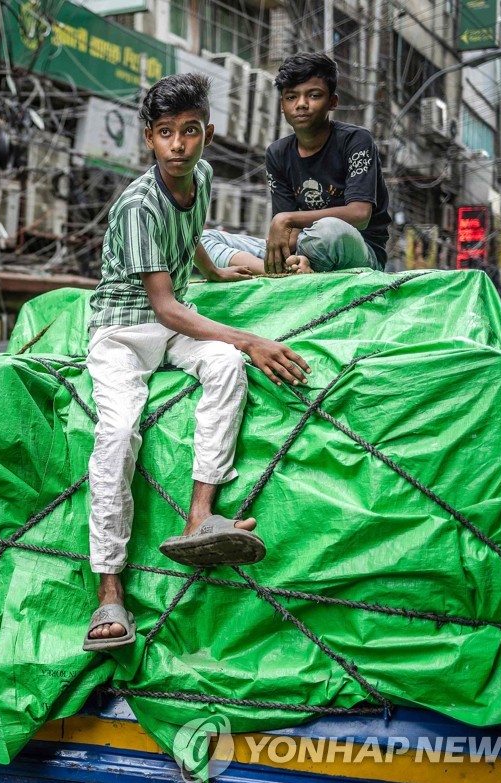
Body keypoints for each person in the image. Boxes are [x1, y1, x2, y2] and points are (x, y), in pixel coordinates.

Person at [82, 74, 310, 652]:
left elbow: (193, 235)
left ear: (207, 133)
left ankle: (199, 518)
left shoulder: (202, 175)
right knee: (119, 433)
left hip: (172, 324)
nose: (179, 145)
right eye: (166, 134)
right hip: (122, 334)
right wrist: (249, 337)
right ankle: (108, 591)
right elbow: (164, 306)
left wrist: (215, 274)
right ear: (149, 140)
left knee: (227, 368)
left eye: (189, 132)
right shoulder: (136, 205)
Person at [200, 52, 390, 276]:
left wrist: (287, 219)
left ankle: (295, 268)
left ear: (332, 102)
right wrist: (284, 253)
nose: (301, 104)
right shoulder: (278, 153)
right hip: (303, 247)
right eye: (291, 97)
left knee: (327, 230)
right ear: (282, 105)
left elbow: (360, 214)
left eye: (314, 95)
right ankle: (278, 271)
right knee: (204, 240)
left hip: (357, 252)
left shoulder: (356, 140)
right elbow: (287, 234)